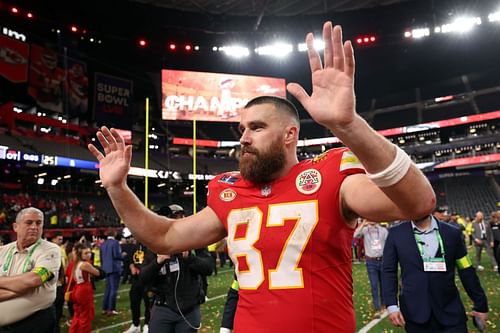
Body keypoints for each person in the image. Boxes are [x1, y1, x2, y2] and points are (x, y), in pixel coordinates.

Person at [88, 21, 435, 332]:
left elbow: (419, 203)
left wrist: (349, 125)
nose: (243, 138)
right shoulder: (231, 192)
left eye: (256, 127)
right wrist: (117, 188)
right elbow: (165, 237)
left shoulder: (330, 174)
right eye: (242, 128)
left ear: (289, 135)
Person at [382, 214, 489, 332]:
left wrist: (480, 304)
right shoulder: (396, 234)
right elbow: (388, 271)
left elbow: (466, 269)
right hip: (415, 313)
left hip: (451, 312)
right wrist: (391, 306)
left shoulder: (452, 233)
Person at [139, 205, 212, 333]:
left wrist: (189, 257)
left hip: (189, 309)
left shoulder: (195, 240)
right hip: (163, 307)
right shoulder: (155, 245)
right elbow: (143, 278)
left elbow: (208, 268)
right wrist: (158, 262)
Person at [0, 207, 61, 332]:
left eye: (38, 223)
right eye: (29, 222)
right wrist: (22, 288)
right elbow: (27, 284)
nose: (34, 227)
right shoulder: (3, 251)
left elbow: (34, 280)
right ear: (15, 227)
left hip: (36, 324)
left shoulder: (50, 250)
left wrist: (25, 285)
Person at [353, 218, 388, 318]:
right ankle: (377, 308)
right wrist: (363, 224)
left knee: (383, 284)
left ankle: (384, 304)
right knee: (374, 285)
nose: (372, 220)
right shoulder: (365, 230)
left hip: (382, 260)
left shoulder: (383, 230)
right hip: (371, 261)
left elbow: (388, 244)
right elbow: (354, 235)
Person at [68, 242, 102, 333]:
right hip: (84, 290)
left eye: (89, 252)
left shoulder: (75, 263)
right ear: (80, 254)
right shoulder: (85, 264)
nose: (89, 255)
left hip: (77, 288)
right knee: (86, 317)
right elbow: (97, 273)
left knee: (77, 315)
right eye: (86, 253)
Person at [123, 238, 151, 333]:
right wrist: (132, 267)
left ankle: (147, 324)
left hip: (147, 281)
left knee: (148, 303)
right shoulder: (135, 246)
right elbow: (129, 259)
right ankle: (135, 324)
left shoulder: (150, 246)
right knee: (134, 302)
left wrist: (144, 270)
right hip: (136, 280)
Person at [100, 230, 123, 315]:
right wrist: (123, 255)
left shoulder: (103, 244)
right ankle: (111, 309)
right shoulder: (115, 243)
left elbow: (101, 257)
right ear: (114, 233)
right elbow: (116, 255)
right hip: (114, 268)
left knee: (108, 289)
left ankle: (104, 308)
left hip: (106, 268)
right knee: (113, 289)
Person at [50, 232, 68, 333]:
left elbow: (64, 263)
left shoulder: (61, 249)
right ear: (53, 239)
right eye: (59, 239)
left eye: (62, 239)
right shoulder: (50, 250)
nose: (61, 241)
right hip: (52, 284)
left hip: (59, 281)